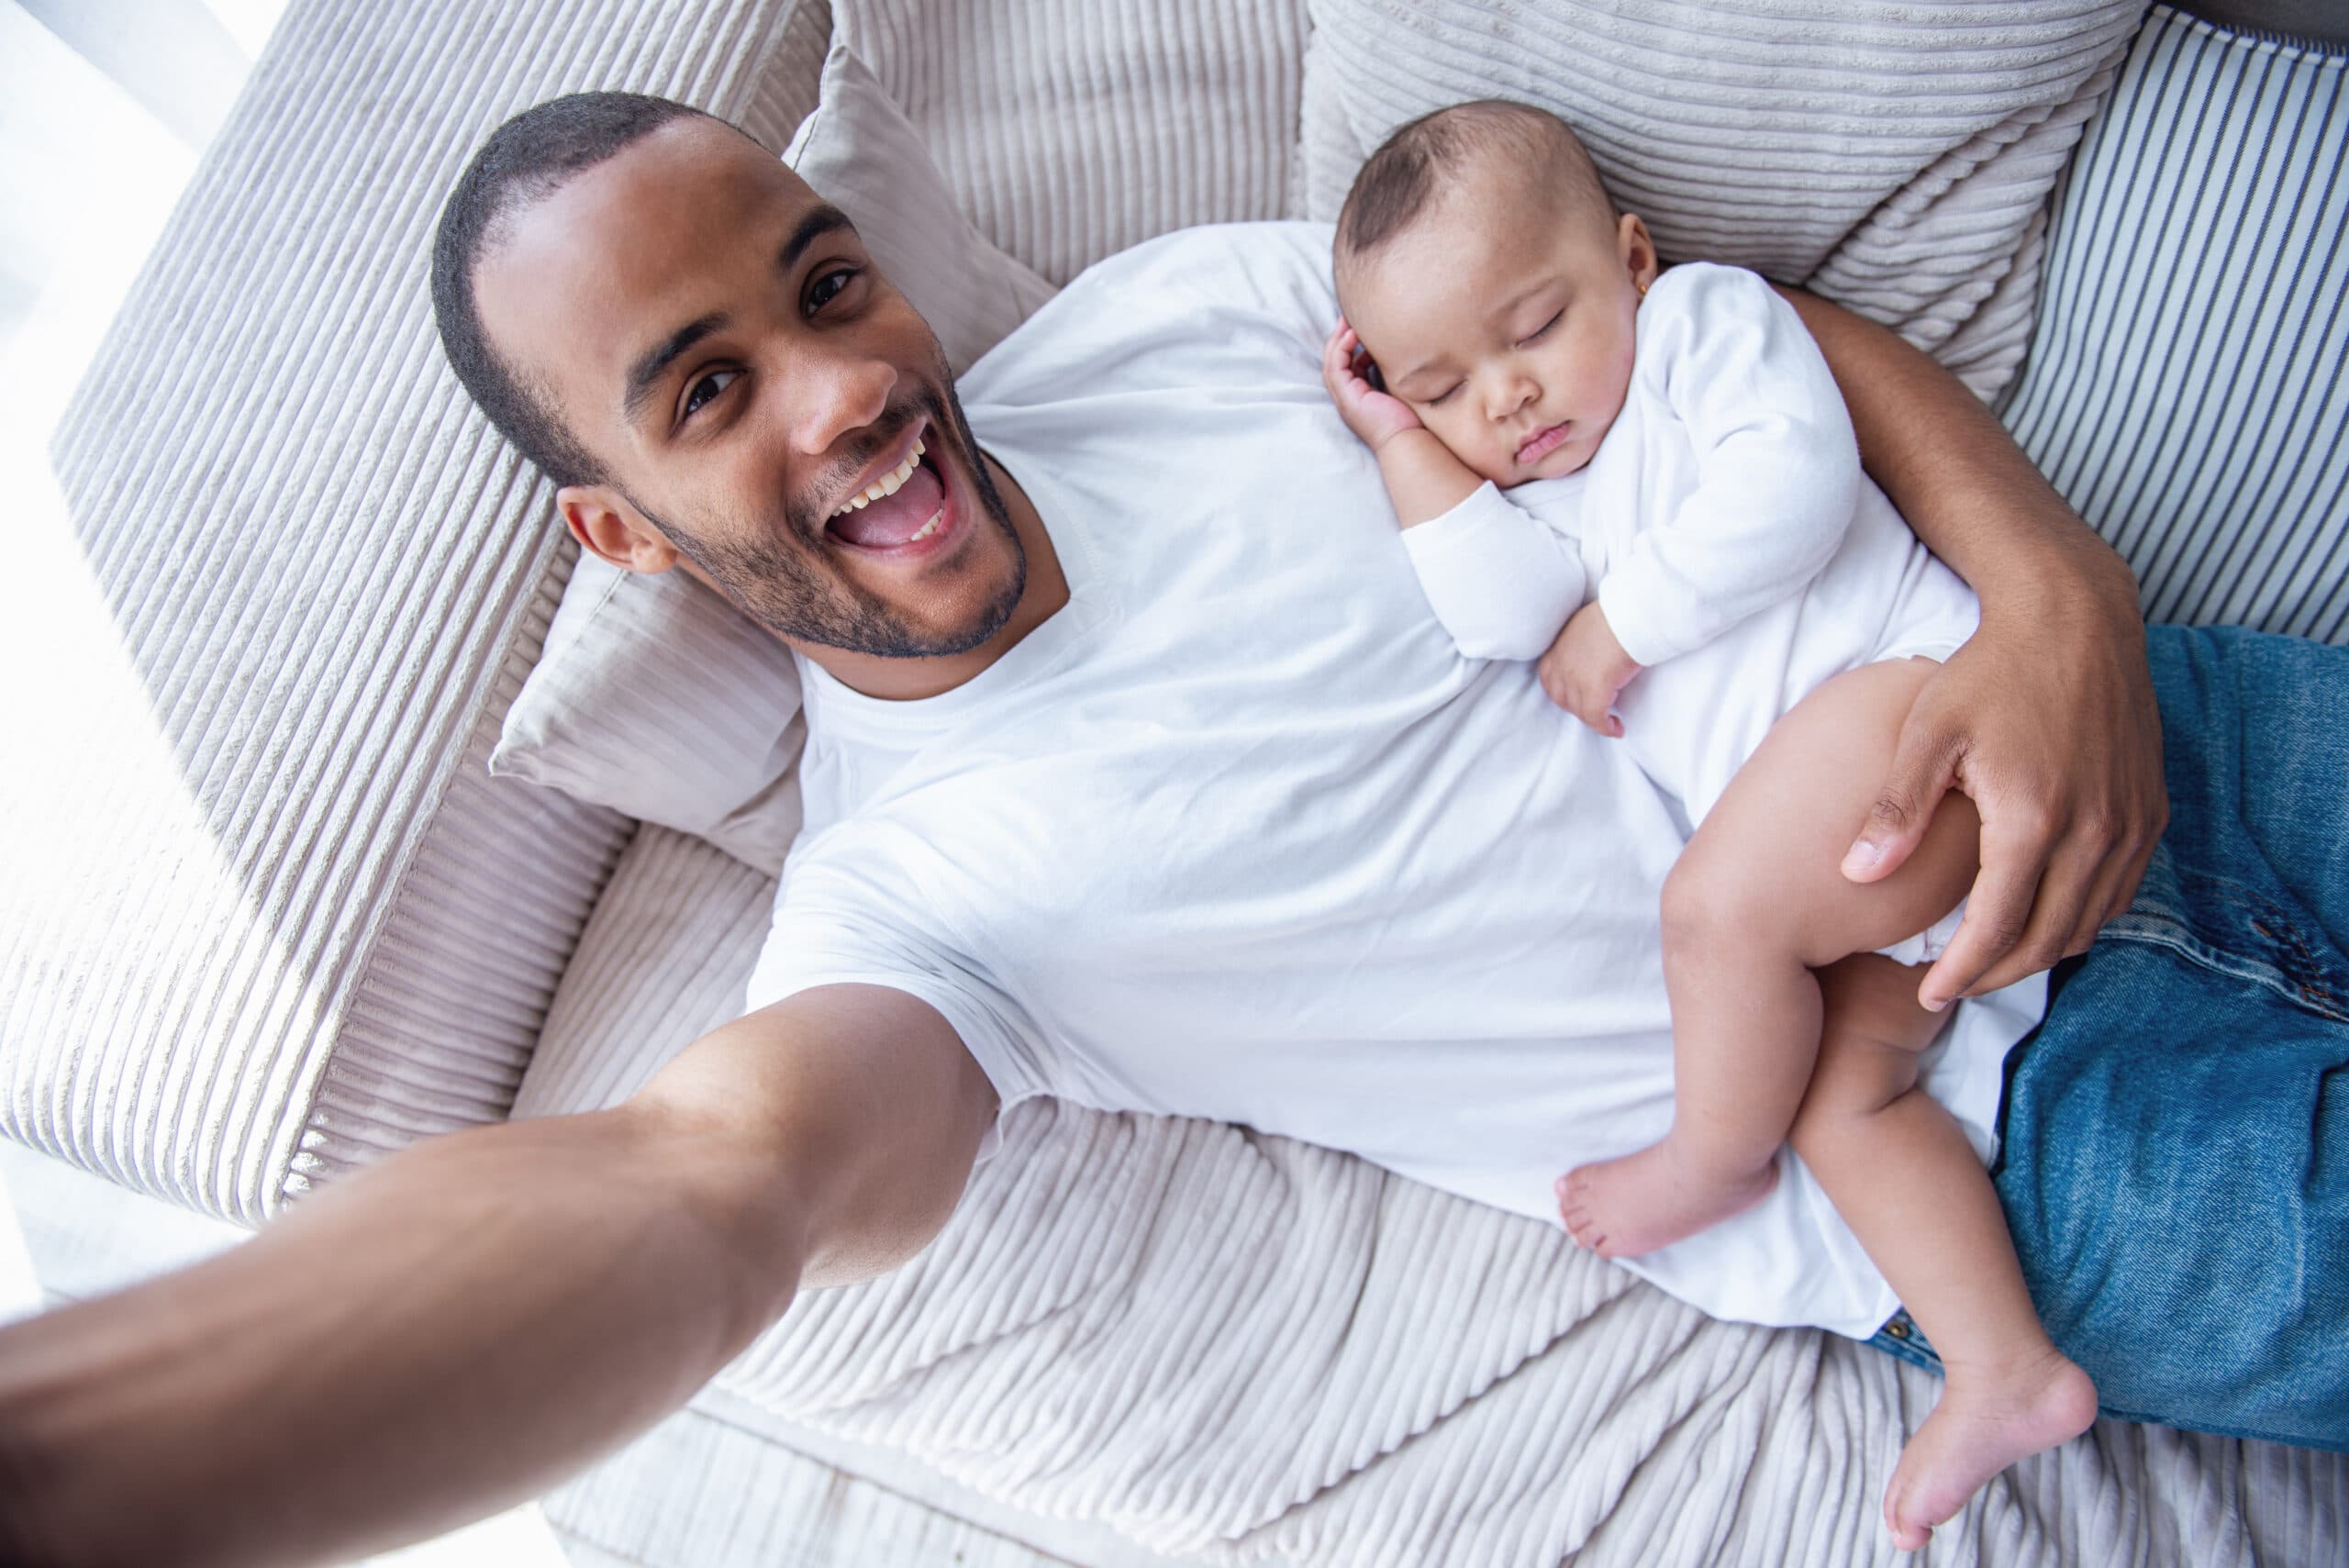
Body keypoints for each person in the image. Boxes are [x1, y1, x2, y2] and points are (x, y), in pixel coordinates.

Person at [1, 94, 2339, 1568]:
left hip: (2105, 727)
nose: (848, 389)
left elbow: (1723, 354)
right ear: (618, 528)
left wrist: (2050, 594)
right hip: (1984, 1154)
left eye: (825, 284)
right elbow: (701, 1190)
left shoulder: (1196, 319)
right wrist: (75, 1474)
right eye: (709, 391)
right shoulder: (902, 904)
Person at [1320, 101, 2094, 1545]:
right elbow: (1498, 614)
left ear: (1631, 260)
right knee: (1849, 1102)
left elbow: (1796, 480)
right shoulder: (1541, 502)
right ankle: (2004, 1365)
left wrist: (1626, 624)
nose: (1509, 396)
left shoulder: (1697, 334)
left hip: (1914, 704)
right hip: (1854, 879)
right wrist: (1396, 443)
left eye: (1536, 326)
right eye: (1445, 386)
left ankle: (1711, 1161)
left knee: (1710, 912)